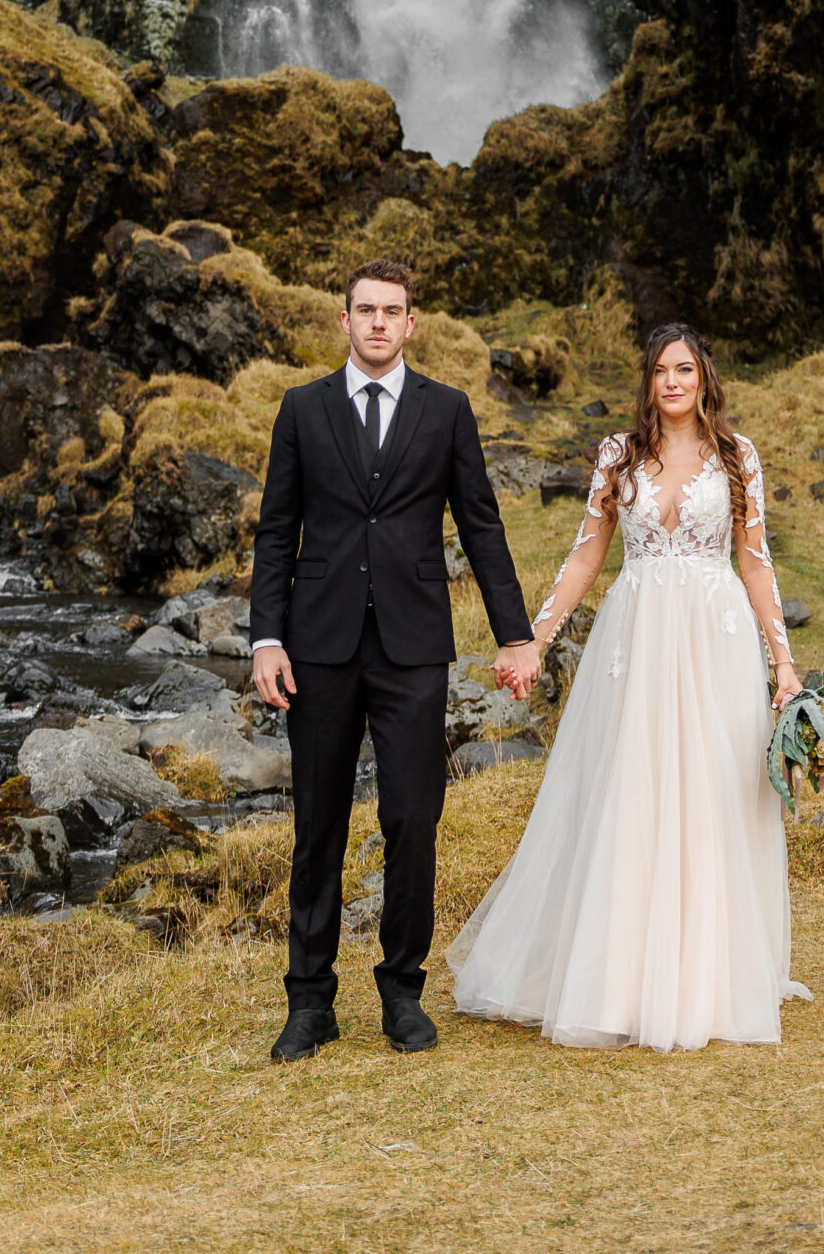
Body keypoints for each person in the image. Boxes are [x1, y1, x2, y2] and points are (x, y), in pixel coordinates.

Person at [448, 320, 811, 1051]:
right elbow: (586, 558)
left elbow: (755, 563)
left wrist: (784, 663)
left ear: (704, 376)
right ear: (647, 382)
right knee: (629, 790)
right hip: (637, 636)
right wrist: (533, 640)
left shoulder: (738, 457)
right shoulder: (619, 455)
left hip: (715, 639)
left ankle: (708, 979)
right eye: (659, 371)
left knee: (712, 793)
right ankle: (616, 979)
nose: (672, 381)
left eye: (684, 368)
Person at [250, 257, 540, 1063]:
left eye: (393, 311)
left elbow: (480, 524)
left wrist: (513, 633)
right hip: (318, 647)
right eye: (365, 310)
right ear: (343, 321)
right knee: (319, 825)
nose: (378, 323)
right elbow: (277, 531)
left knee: (412, 819)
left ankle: (401, 991)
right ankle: (309, 1003)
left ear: (412, 324)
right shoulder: (301, 410)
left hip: (414, 645)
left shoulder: (445, 411)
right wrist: (265, 638)